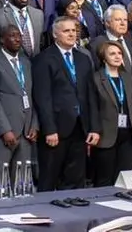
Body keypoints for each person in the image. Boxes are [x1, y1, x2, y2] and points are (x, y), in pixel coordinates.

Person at [32, 16, 100, 191]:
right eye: (66, 31)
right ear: (55, 34)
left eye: (74, 31)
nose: (72, 34)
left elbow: (90, 95)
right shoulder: (44, 59)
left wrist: (94, 127)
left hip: (80, 127)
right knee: (49, 179)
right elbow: (43, 97)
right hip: (56, 129)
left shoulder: (83, 58)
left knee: (75, 178)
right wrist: (49, 129)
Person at [0, 25, 38, 185]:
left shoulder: (26, 62)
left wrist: (34, 124)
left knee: (22, 182)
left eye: (19, 36)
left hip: (26, 132)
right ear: (2, 40)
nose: (17, 39)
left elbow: (32, 95)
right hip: (4, 133)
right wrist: (5, 130)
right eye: (12, 36)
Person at [91, 41, 132, 186]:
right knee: (104, 180)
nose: (117, 56)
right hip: (106, 136)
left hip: (128, 136)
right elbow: (93, 108)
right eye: (112, 53)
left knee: (123, 179)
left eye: (120, 53)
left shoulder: (126, 77)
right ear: (103, 58)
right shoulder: (96, 78)